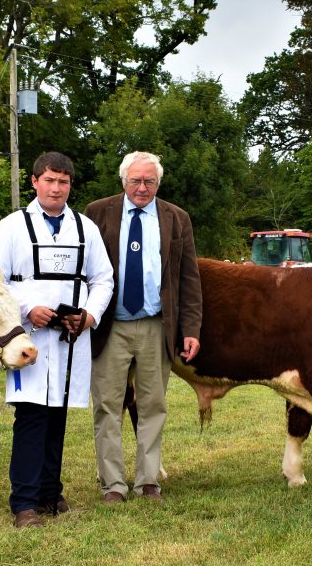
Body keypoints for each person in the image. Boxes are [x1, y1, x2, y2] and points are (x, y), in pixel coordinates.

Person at [0, 152, 114, 529]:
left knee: (57, 415)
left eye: (64, 182)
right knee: (32, 415)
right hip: (30, 336)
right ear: (35, 182)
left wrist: (88, 314)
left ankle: (50, 493)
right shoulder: (12, 226)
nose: (56, 188)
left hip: (71, 338)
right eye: (50, 180)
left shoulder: (85, 228)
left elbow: (103, 279)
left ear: (71, 185)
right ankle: (24, 502)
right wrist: (28, 308)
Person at [84, 151, 202, 504]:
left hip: (156, 326)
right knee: (107, 406)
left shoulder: (177, 218)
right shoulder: (96, 213)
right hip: (110, 326)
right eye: (135, 180)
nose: (142, 187)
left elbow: (189, 278)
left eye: (149, 181)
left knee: (153, 405)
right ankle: (113, 486)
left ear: (158, 183)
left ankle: (149, 481)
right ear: (123, 180)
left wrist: (190, 328)